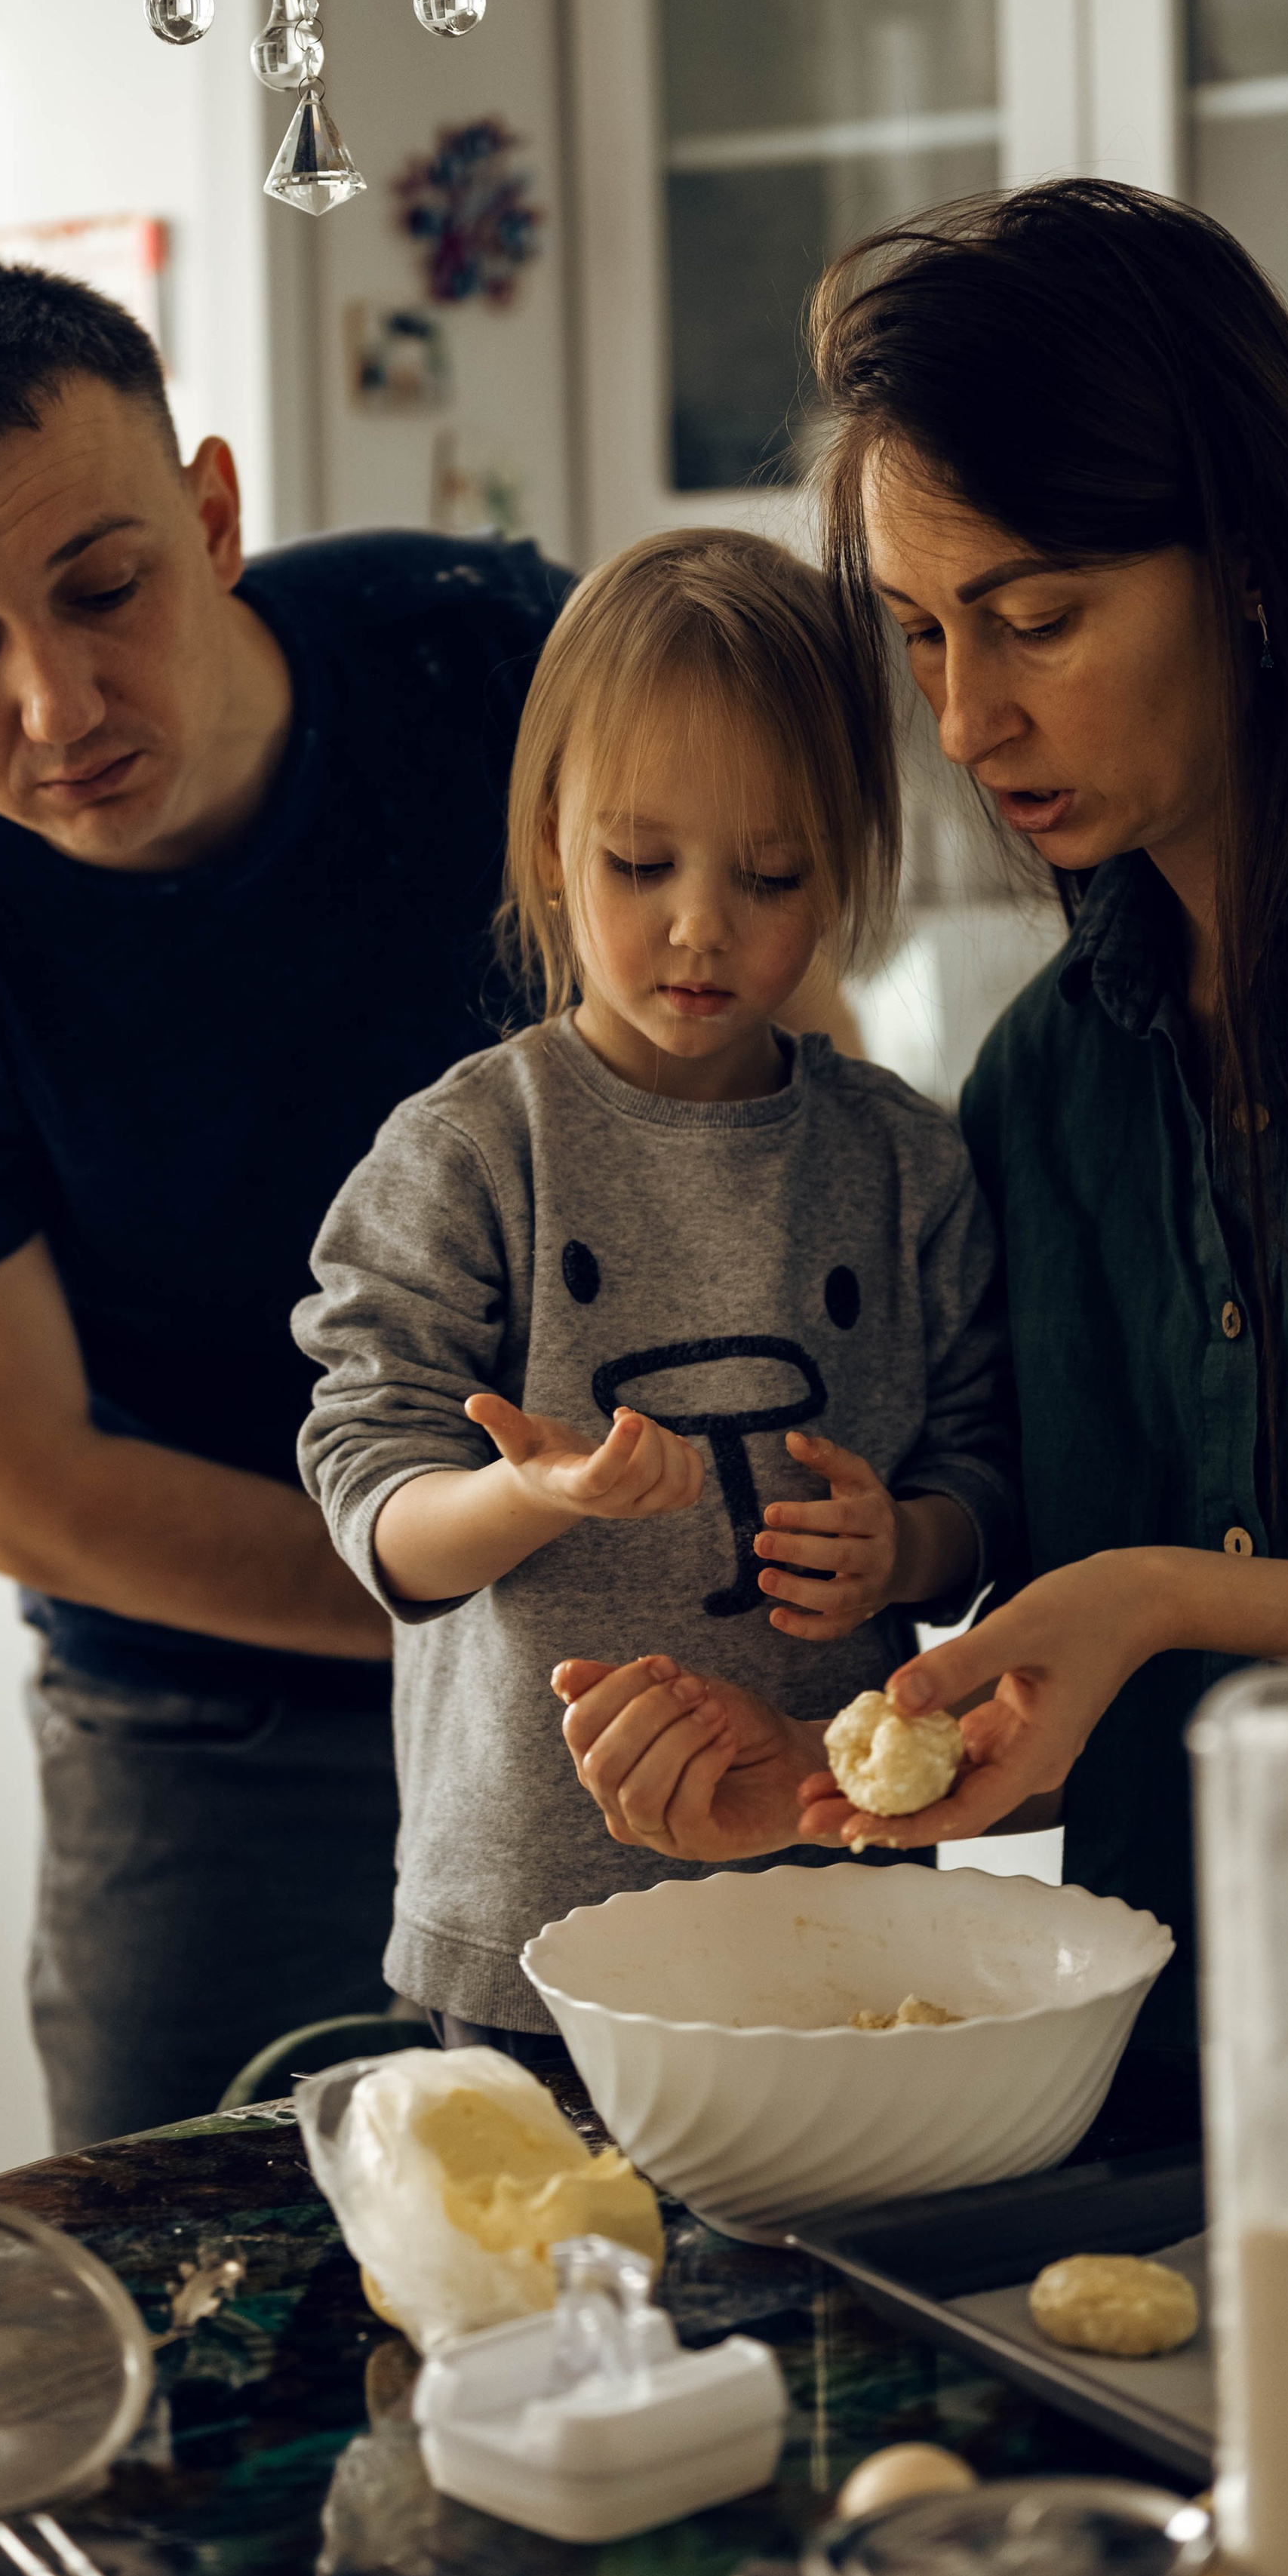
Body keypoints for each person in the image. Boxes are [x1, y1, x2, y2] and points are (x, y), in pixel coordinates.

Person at [554, 181, 1288, 2102]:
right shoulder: (1044, 1077)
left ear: (1245, 563)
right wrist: (801, 1774)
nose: (965, 717)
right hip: (1182, 2073)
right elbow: (1031, 1610)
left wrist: (1170, 1594)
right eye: (918, 637)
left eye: (1034, 618)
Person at [0, 257, 575, 2150]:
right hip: (217, 1740)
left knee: (730, 2285)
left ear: (210, 518)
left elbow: (769, 1056)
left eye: (105, 590)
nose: (52, 701)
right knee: (191, 2340)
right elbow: (27, 1485)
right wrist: (478, 1597)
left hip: (651, 1688)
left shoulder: (489, 658)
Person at [293, 530, 1019, 2049]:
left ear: (847, 866)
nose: (701, 925)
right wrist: (532, 1496)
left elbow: (985, 1480)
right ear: (549, 837)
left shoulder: (902, 1166)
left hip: (834, 1895)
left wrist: (901, 1548)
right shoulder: (471, 1154)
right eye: (641, 864)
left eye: (770, 875)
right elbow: (378, 1508)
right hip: (528, 1933)